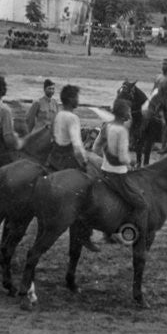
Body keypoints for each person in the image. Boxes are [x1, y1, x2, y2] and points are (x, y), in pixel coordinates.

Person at [86, 97, 150, 252]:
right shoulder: (122, 130)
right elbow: (122, 157)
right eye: (128, 111)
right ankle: (131, 233)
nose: (130, 114)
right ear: (123, 113)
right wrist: (132, 162)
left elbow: (96, 146)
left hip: (105, 170)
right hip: (118, 174)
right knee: (141, 204)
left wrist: (105, 156)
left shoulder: (107, 126)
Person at [46, 84, 90, 171]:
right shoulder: (73, 118)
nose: (78, 100)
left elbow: (52, 135)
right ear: (71, 99)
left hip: (54, 158)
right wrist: (84, 162)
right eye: (76, 97)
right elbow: (77, 146)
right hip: (67, 161)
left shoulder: (58, 114)